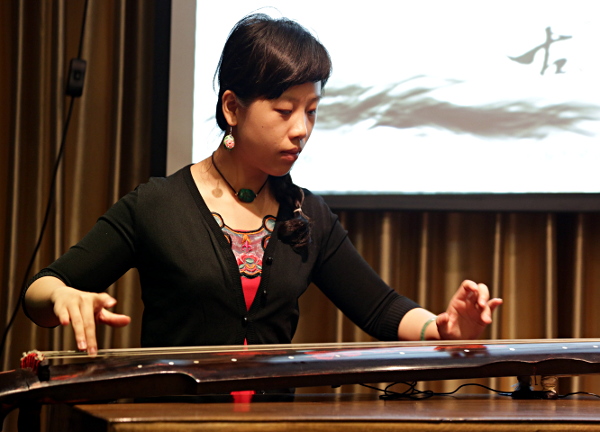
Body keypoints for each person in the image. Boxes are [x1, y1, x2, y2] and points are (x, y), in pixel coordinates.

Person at [24, 13, 502, 357]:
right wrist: (61, 296)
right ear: (233, 108)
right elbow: (39, 292)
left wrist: (441, 328)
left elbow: (381, 309)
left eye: (311, 111)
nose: (301, 129)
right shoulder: (157, 205)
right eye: (283, 109)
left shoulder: (308, 215)